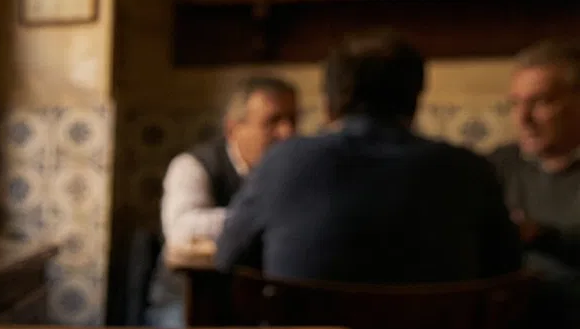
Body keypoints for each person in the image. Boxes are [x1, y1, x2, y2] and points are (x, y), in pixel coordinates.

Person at [216, 31, 520, 283]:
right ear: (414, 103)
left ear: (329, 106)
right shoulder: (470, 171)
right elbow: (505, 271)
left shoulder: (283, 162)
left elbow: (228, 260)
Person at [491, 40, 580, 329]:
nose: (522, 118)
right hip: (501, 317)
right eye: (515, 103)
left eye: (540, 102)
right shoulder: (499, 165)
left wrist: (540, 235)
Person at [160, 75, 300, 249]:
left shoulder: (294, 169)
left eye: (292, 120)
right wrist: (255, 217)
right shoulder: (192, 165)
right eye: (273, 121)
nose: (288, 132)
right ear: (233, 129)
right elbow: (180, 230)